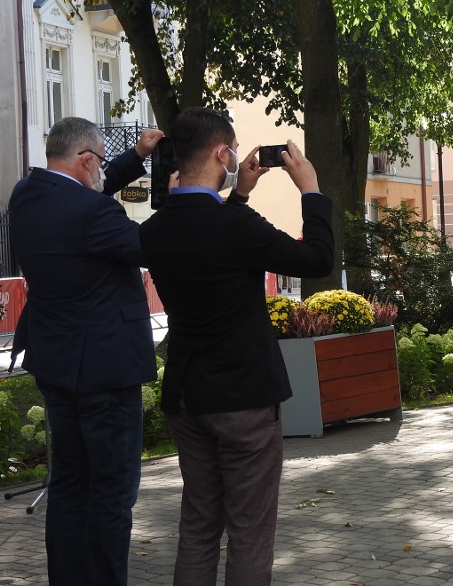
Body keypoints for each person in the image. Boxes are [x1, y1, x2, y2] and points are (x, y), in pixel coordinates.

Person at [139, 108, 334, 585]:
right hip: (244, 397)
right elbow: (318, 259)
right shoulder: (235, 229)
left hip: (188, 396)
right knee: (249, 528)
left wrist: (240, 193)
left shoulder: (153, 229)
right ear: (220, 153)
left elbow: (206, 232)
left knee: (199, 525)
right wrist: (310, 189)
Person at [9, 117, 163, 586]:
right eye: (97, 161)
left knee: (71, 487)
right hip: (106, 372)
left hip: (58, 366)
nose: (100, 171)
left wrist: (135, 156)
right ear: (83, 160)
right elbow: (147, 246)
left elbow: (87, 189)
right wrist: (183, 197)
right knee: (113, 494)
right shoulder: (95, 215)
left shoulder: (26, 195)